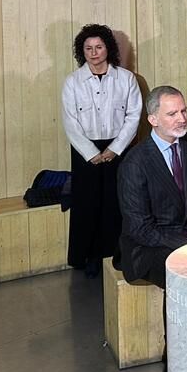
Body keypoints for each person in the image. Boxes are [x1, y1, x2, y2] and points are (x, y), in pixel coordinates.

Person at [117, 86, 187, 372]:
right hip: (147, 247)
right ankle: (175, 358)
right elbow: (140, 229)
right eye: (172, 114)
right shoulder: (135, 163)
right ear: (153, 119)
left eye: (183, 111)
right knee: (184, 275)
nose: (181, 119)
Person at [61, 23, 142, 278]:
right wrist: (91, 153)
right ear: (81, 51)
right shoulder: (72, 82)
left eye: (99, 47)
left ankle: (117, 252)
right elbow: (70, 120)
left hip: (119, 149)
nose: (94, 53)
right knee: (87, 203)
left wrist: (115, 149)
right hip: (86, 151)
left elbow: (134, 116)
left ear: (108, 48)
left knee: (118, 203)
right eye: (88, 48)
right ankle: (90, 256)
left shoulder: (126, 79)